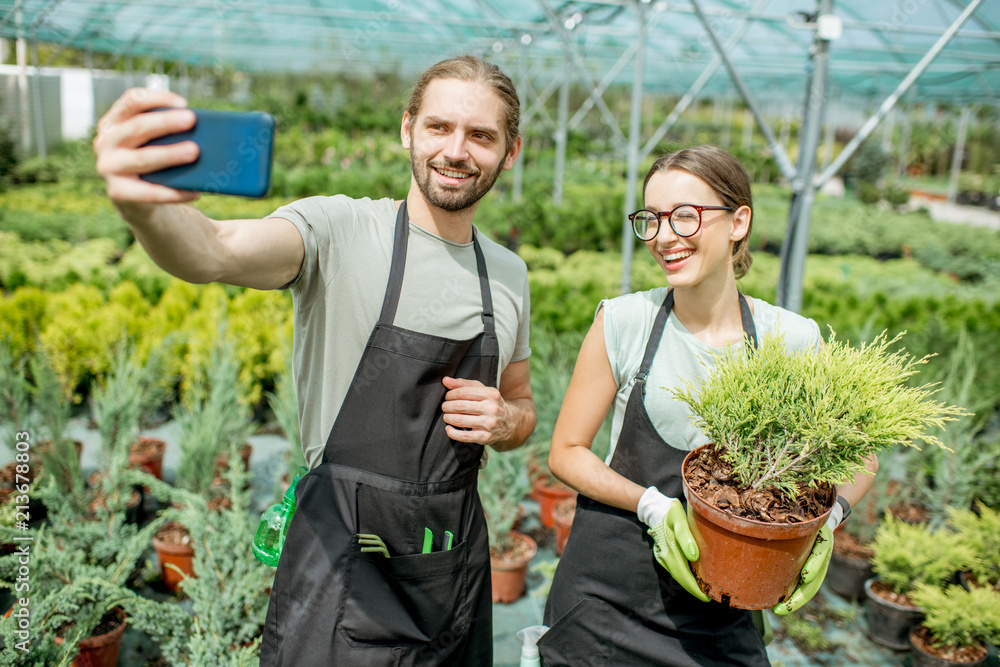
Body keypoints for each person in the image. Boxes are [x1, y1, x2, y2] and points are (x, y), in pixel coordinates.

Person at [93, 54, 537, 666]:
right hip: (340, 568)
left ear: (510, 152)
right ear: (408, 128)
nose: (457, 150)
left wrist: (506, 422)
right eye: (439, 127)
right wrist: (144, 206)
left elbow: (523, 404)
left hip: (448, 570)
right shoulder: (340, 230)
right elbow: (214, 250)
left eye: (481, 135)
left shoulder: (508, 276)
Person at [536, 146, 877, 666]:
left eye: (685, 216)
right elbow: (566, 451)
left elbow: (861, 459)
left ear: (739, 221)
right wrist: (651, 506)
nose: (664, 236)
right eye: (651, 219)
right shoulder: (626, 321)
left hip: (719, 614)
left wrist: (826, 522)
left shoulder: (791, 340)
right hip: (603, 604)